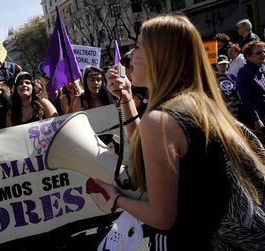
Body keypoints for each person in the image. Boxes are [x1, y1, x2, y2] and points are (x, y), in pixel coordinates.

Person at [99, 14, 265, 250]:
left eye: (138, 46)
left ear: (161, 56)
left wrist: (115, 200)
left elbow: (161, 217)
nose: (129, 56)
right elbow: (149, 150)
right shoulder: (197, 103)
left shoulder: (160, 121)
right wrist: (126, 101)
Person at [236, 41, 265, 139]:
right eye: (259, 53)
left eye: (263, 51)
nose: (263, 54)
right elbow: (245, 99)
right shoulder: (244, 73)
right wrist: (256, 119)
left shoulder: (262, 68)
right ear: (248, 56)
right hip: (257, 121)